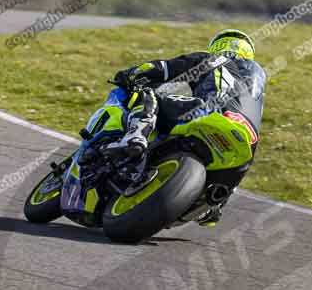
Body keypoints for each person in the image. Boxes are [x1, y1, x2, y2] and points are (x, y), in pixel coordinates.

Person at [106, 29, 266, 226]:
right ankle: (216, 201)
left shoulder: (213, 59)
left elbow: (164, 68)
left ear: (219, 46)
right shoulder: (258, 83)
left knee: (149, 95)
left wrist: (133, 74)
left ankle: (136, 136)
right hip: (244, 145)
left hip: (208, 114)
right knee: (225, 182)